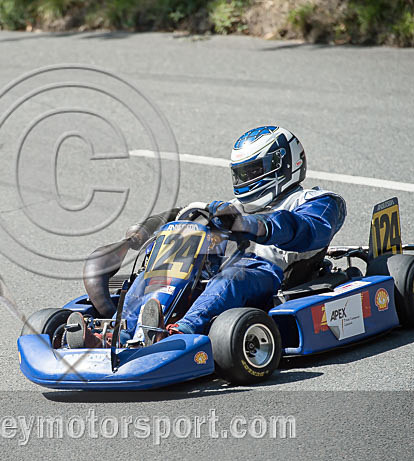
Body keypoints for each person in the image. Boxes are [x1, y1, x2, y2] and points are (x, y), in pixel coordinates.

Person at [67, 126, 347, 348]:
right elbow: (182, 215)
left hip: (269, 271)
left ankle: (177, 334)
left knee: (231, 278)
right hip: (218, 266)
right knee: (178, 247)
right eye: (241, 174)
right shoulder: (233, 208)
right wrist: (146, 232)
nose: (245, 179)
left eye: (252, 171)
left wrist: (251, 225)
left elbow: (307, 230)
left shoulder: (318, 201)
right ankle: (119, 331)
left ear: (281, 164)